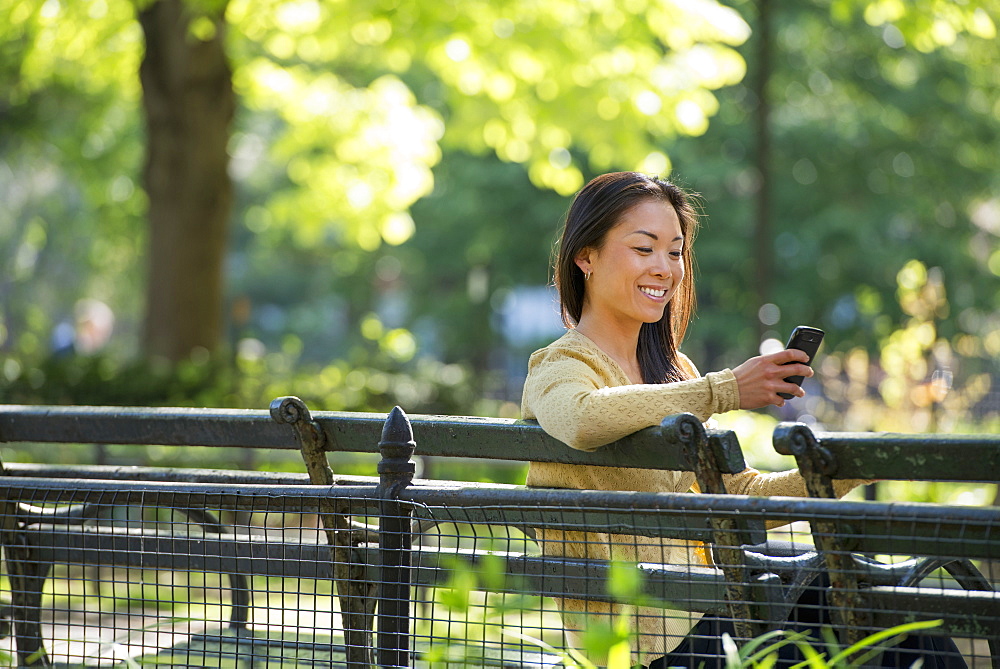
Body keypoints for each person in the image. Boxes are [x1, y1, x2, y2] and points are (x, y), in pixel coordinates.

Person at [520, 172, 966, 668]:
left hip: (713, 609)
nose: (664, 268)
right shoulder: (560, 366)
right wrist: (726, 390)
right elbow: (582, 419)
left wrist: (853, 466)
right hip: (648, 643)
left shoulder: (674, 372)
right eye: (644, 248)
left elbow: (742, 497)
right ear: (586, 256)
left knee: (889, 610)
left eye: (675, 251)